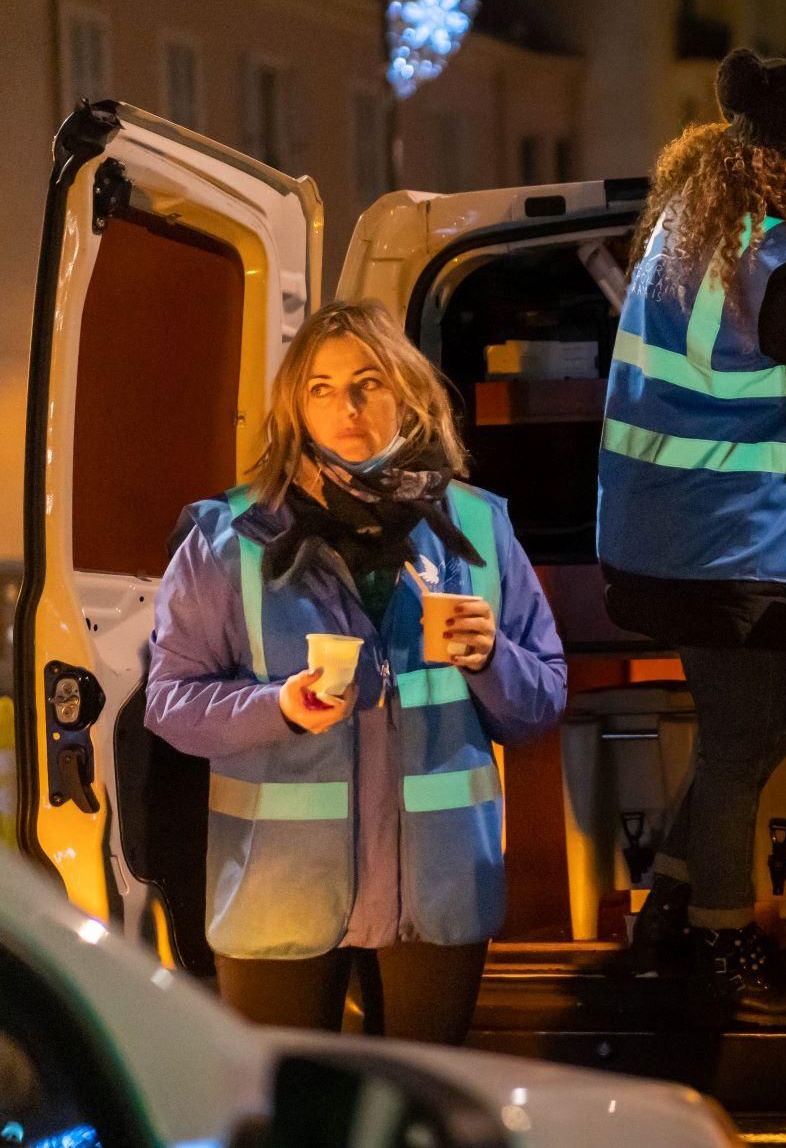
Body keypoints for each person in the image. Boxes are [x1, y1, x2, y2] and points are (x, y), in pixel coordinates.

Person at [146, 299, 567, 1042]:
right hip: (283, 897)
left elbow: (541, 703)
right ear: (294, 406)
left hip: (436, 896)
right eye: (321, 387)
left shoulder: (475, 526)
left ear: (406, 391)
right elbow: (171, 702)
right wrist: (276, 707)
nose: (346, 405)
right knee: (283, 1117)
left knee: (419, 1110)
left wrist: (491, 657)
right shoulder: (229, 536)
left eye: (367, 382)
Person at [597, 48, 786, 1020]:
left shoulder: (687, 231)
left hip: (669, 537)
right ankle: (717, 942)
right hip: (723, 544)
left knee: (748, 729)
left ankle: (667, 910)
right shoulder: (780, 255)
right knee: (743, 737)